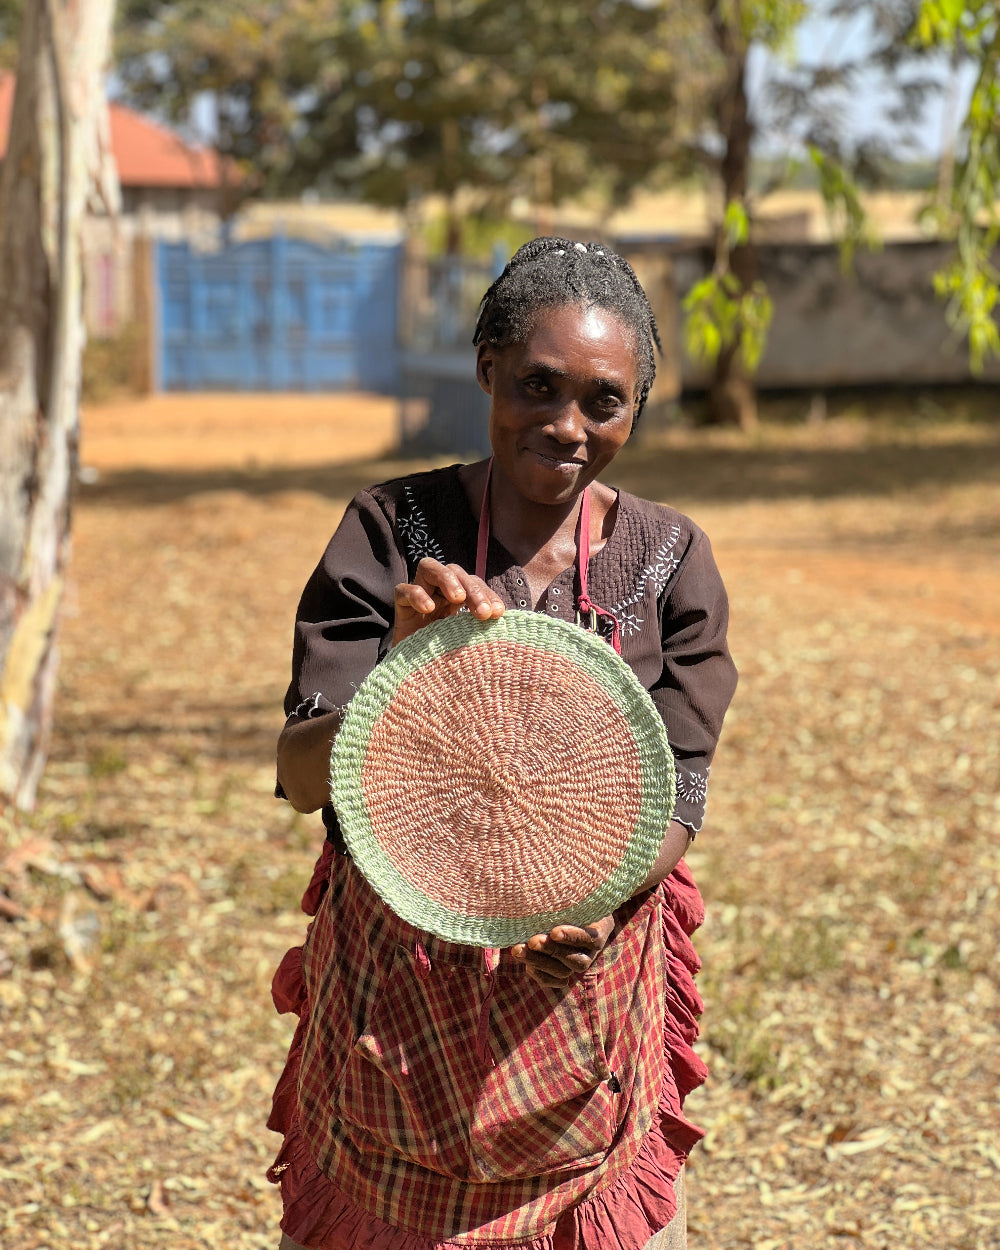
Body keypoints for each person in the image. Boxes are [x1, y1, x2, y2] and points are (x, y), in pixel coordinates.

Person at [268, 237, 738, 1250]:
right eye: (537, 384)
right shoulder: (394, 530)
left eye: (603, 402)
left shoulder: (667, 561)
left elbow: (678, 793)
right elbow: (303, 772)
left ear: (635, 410)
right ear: (486, 369)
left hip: (579, 1012)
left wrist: (601, 905)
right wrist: (399, 676)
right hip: (395, 1011)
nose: (566, 426)